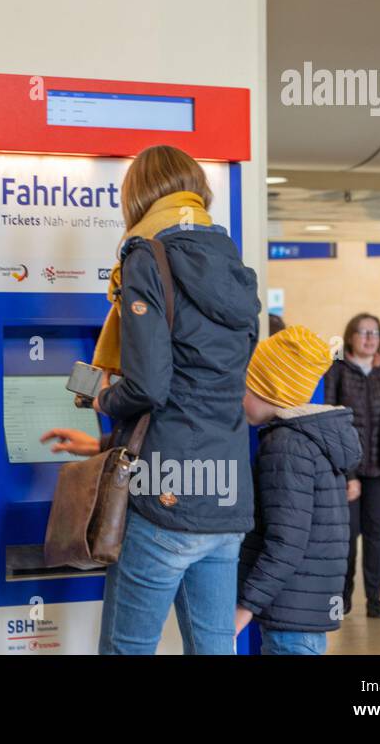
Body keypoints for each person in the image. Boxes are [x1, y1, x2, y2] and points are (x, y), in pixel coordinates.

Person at [42, 144, 260, 655]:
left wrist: (101, 397)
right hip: (226, 494)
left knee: (127, 647)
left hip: (165, 495)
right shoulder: (231, 262)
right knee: (212, 646)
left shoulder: (148, 256)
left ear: (139, 195)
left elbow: (148, 387)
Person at [236, 326, 359, 655]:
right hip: (304, 607)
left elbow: (285, 542)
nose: (238, 395)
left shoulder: (286, 446)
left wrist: (245, 607)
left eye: (247, 384)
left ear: (271, 390)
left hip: (289, 615)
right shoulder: (313, 439)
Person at [324, 313, 380, 620]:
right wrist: (347, 474)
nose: (370, 338)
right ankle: (342, 599)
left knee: (376, 535)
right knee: (348, 535)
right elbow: (329, 421)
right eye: (363, 332)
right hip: (349, 471)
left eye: (375, 333)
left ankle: (375, 599)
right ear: (350, 336)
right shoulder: (337, 371)